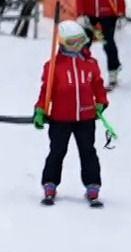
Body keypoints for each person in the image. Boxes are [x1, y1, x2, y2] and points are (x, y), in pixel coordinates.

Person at [34, 19, 108, 206]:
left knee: (88, 151)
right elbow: (46, 92)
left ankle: (92, 185)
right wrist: (40, 110)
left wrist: (101, 102)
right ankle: (50, 183)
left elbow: (98, 85)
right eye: (73, 42)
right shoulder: (53, 66)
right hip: (60, 118)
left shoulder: (90, 63)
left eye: (80, 41)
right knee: (57, 151)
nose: (78, 46)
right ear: (63, 43)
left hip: (86, 118)